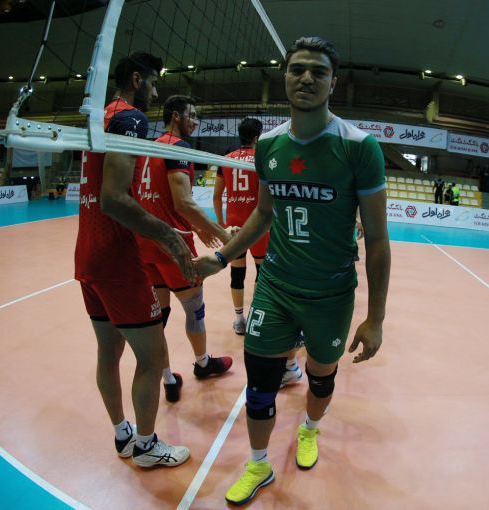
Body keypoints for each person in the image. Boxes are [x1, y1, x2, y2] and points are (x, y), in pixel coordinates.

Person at [194, 36, 391, 506]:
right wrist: (220, 258)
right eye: (297, 69)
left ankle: (309, 429)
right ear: (284, 76)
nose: (306, 78)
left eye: (318, 71)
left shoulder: (359, 148)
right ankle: (258, 464)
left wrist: (376, 318)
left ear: (332, 83)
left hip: (331, 294)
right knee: (260, 384)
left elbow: (379, 240)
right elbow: (263, 214)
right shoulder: (269, 145)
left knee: (321, 377)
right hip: (276, 287)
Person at [74, 51, 193, 469]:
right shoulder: (130, 118)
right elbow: (113, 199)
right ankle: (145, 446)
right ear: (138, 80)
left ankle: (122, 434)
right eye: (154, 83)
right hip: (117, 256)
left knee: (109, 351)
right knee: (153, 356)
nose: (156, 93)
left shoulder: (100, 116)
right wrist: (168, 235)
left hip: (87, 252)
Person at [134, 94, 233, 402]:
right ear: (176, 116)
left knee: (158, 316)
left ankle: (167, 379)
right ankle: (203, 364)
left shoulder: (146, 149)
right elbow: (183, 203)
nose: (196, 122)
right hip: (173, 245)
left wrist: (199, 228)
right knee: (194, 309)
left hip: (145, 242)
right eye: (192, 115)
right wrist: (221, 233)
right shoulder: (178, 147)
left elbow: (159, 198)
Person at [213, 118, 267, 335]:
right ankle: (254, 317)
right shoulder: (261, 158)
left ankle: (239, 320)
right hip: (258, 226)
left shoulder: (226, 159)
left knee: (237, 274)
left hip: (234, 226)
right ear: (256, 136)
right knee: (262, 273)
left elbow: (216, 196)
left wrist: (221, 225)